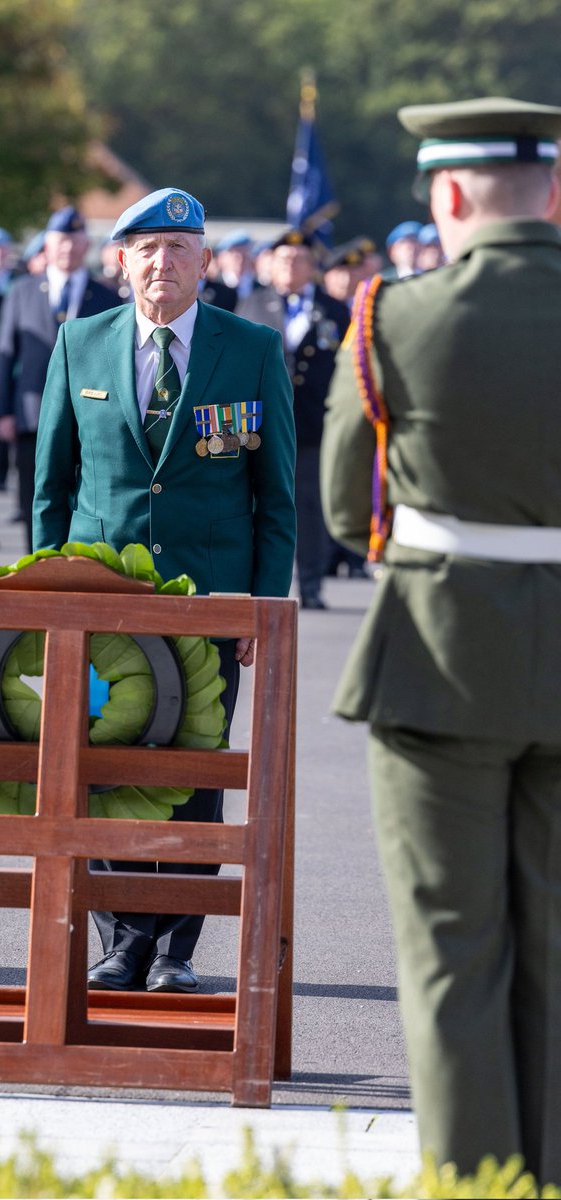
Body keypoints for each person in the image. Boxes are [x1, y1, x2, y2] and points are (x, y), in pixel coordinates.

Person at [321, 96, 561, 1186]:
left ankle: (476, 1184)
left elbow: (342, 504)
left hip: (438, 654)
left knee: (450, 956)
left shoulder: (391, 315)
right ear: (552, 195)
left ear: (451, 195)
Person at [34, 187, 296, 993]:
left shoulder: (249, 349)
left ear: (206, 263)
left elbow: (275, 495)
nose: (163, 263)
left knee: (192, 775)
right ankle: (120, 942)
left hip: (208, 602)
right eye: (146, 248)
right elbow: (51, 486)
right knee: (107, 770)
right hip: (103, 604)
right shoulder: (80, 343)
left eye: (180, 249)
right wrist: (44, 599)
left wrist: (260, 605)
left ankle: (175, 952)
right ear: (122, 263)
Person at [0, 206, 121, 549]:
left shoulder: (107, 296)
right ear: (47, 245)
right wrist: (3, 410)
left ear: (86, 246)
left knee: (84, 494)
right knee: (33, 495)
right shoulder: (22, 290)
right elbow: (5, 353)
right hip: (31, 414)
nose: (68, 248)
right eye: (61, 240)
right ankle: (34, 564)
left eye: (75, 241)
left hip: (88, 415)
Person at [239, 228, 351, 609]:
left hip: (311, 424)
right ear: (270, 264)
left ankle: (312, 583)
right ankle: (264, 582)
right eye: (284, 259)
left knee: (308, 506)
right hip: (261, 424)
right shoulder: (252, 305)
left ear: (312, 266)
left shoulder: (333, 309)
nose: (290, 266)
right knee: (259, 500)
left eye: (299, 259)